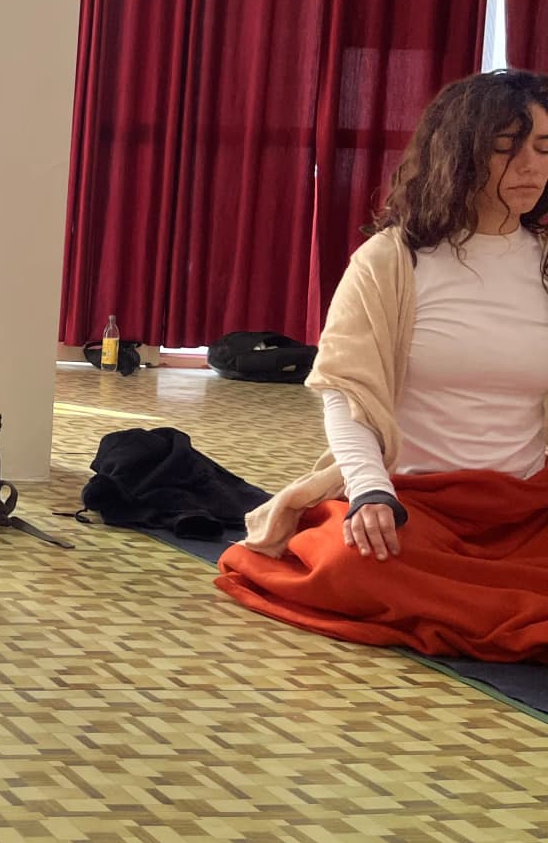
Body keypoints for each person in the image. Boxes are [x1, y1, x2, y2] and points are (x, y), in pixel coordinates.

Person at [217, 70, 548, 660]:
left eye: (544, 149)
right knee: (351, 561)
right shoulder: (391, 261)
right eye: (506, 149)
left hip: (522, 508)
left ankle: (471, 604)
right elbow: (346, 394)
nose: (530, 167)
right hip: (417, 502)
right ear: (461, 154)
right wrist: (370, 492)